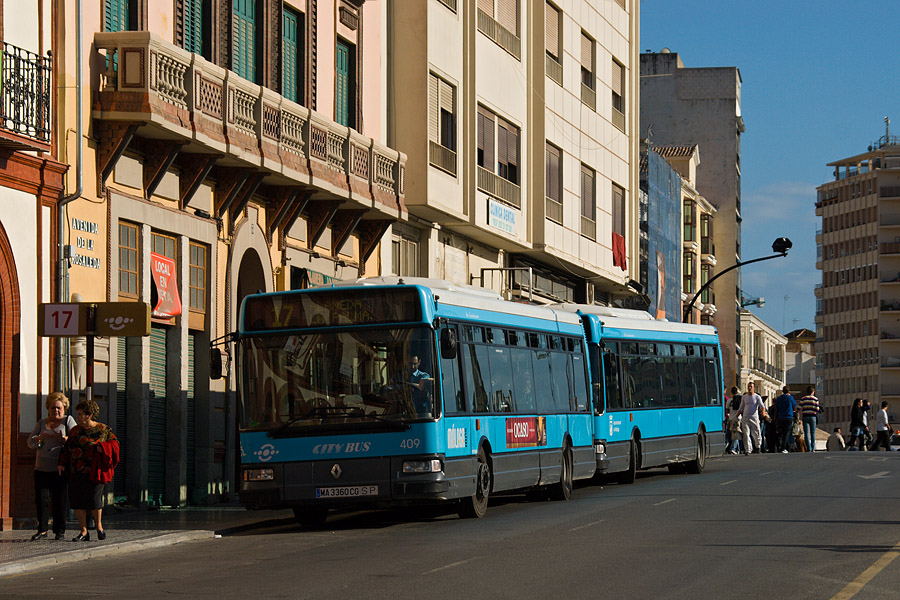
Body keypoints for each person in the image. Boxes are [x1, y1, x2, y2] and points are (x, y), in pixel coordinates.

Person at [58, 399, 119, 542]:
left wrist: (103, 449)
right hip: (76, 470)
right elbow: (67, 449)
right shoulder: (75, 431)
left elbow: (115, 445)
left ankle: (99, 527)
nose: (78, 417)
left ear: (89, 415)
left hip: (95, 470)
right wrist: (61, 463)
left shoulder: (103, 429)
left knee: (94, 499)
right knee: (77, 501)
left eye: (80, 414)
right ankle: (83, 531)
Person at [27, 392, 77, 540]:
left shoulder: (68, 421)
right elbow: (30, 442)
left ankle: (59, 531)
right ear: (48, 408)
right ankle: (42, 530)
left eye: (58, 408)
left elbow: (76, 440)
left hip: (59, 468)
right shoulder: (42, 423)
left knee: (59, 499)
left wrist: (64, 439)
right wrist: (38, 439)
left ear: (64, 408)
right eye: (52, 408)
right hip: (41, 468)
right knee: (41, 499)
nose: (55, 410)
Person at [738, 382, 765, 454]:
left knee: (756, 433)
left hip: (754, 418)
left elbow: (762, 406)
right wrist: (736, 416)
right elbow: (741, 408)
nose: (749, 388)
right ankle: (748, 449)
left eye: (751, 387)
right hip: (745, 417)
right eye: (748, 386)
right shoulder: (744, 397)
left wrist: (763, 412)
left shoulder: (757, 397)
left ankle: (758, 446)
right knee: (746, 434)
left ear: (754, 388)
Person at [774, 386, 797, 453]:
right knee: (787, 432)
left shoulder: (779, 398)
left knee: (783, 432)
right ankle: (784, 447)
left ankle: (786, 447)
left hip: (781, 417)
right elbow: (794, 405)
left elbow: (777, 407)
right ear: (788, 391)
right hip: (789, 416)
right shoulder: (790, 398)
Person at [798, 386, 820, 452]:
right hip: (813, 416)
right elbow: (817, 409)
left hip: (805, 416)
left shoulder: (803, 399)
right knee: (812, 433)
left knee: (806, 433)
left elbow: (799, 408)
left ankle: (809, 448)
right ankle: (813, 448)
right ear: (812, 392)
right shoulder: (815, 399)